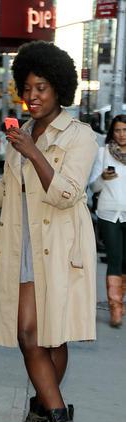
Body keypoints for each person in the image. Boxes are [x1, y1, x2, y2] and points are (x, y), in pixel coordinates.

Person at [0, 41, 98, 422]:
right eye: (28, 88)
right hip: (22, 247)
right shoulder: (24, 135)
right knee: (28, 334)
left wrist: (32, 151)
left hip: (60, 247)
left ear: (60, 90)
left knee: (49, 335)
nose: (32, 96)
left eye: (42, 88)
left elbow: (66, 193)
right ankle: (52, 421)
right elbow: (16, 190)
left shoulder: (80, 137)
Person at [89, 114, 126, 328]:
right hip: (108, 213)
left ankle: (120, 301)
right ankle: (116, 309)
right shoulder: (103, 154)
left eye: (125, 130)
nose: (121, 134)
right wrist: (103, 178)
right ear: (112, 132)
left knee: (125, 261)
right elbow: (92, 186)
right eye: (118, 130)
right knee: (114, 258)